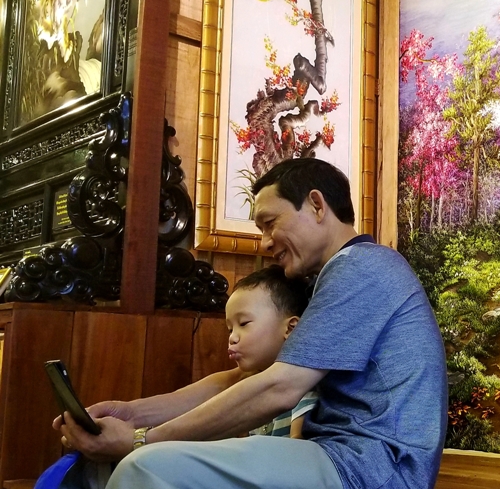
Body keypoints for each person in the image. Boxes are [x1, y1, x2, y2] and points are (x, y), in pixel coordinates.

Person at [57, 158, 449, 489]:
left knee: (144, 468)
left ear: (316, 205)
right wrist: (131, 414)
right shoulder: (336, 275)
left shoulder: (363, 266)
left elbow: (280, 388)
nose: (265, 242)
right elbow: (239, 380)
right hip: (337, 457)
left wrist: (140, 441)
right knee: (104, 467)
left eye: (270, 222)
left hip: (372, 468)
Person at [227, 265, 318, 438]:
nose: (232, 337)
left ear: (290, 328)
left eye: (243, 323)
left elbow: (297, 448)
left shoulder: (302, 388)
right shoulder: (253, 392)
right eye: (230, 329)